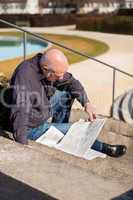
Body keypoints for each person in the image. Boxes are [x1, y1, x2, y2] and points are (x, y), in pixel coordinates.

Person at [9, 48, 126, 157]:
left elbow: (72, 83)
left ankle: (60, 134)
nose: (62, 78)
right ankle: (102, 147)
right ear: (45, 69)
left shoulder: (50, 67)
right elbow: (20, 111)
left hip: (42, 108)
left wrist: (87, 103)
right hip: (31, 126)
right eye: (58, 75)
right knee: (76, 129)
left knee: (67, 93)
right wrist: (22, 144)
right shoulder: (25, 76)